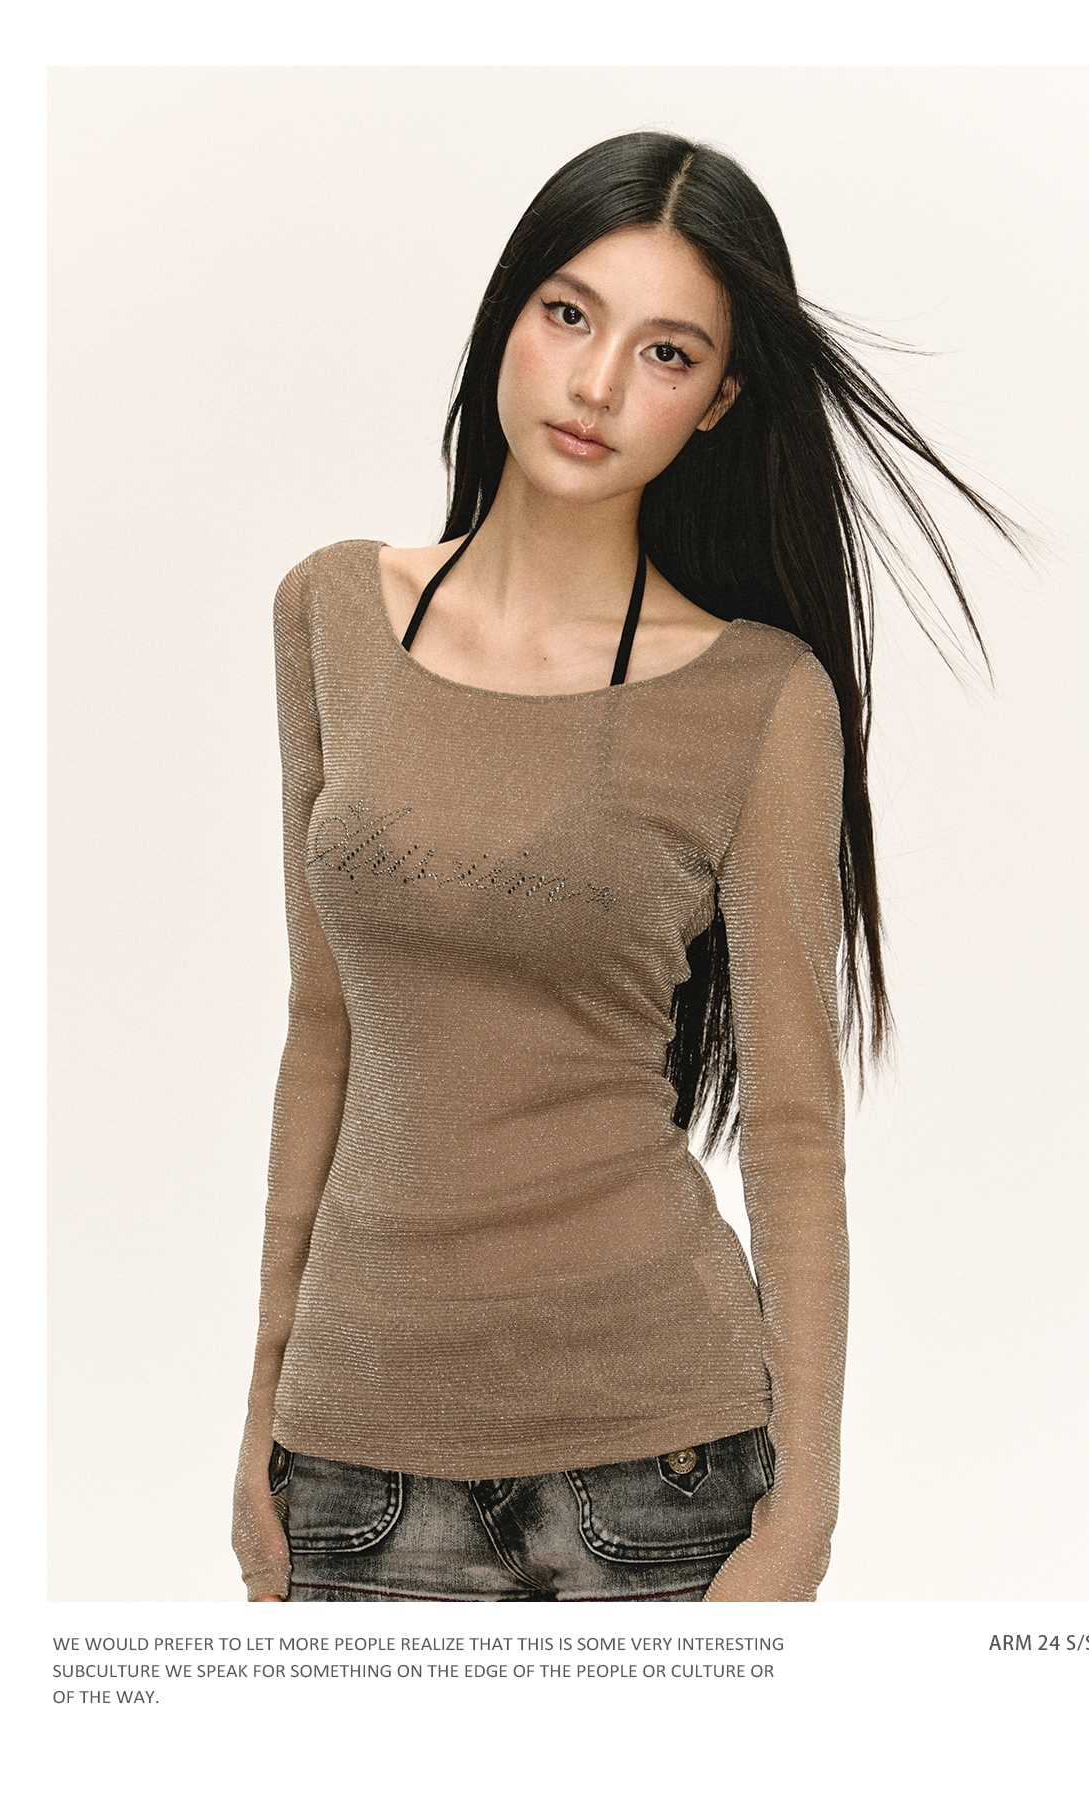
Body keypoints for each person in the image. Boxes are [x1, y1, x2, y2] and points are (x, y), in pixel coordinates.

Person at [231, 130, 1015, 1603]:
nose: (595, 384)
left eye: (665, 353)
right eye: (569, 314)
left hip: (662, 1480)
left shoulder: (760, 697)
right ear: (507, 315)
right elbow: (320, 1030)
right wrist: (259, 1416)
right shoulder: (329, 613)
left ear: (717, 401)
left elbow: (794, 1129)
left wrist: (803, 1520)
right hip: (352, 1466)